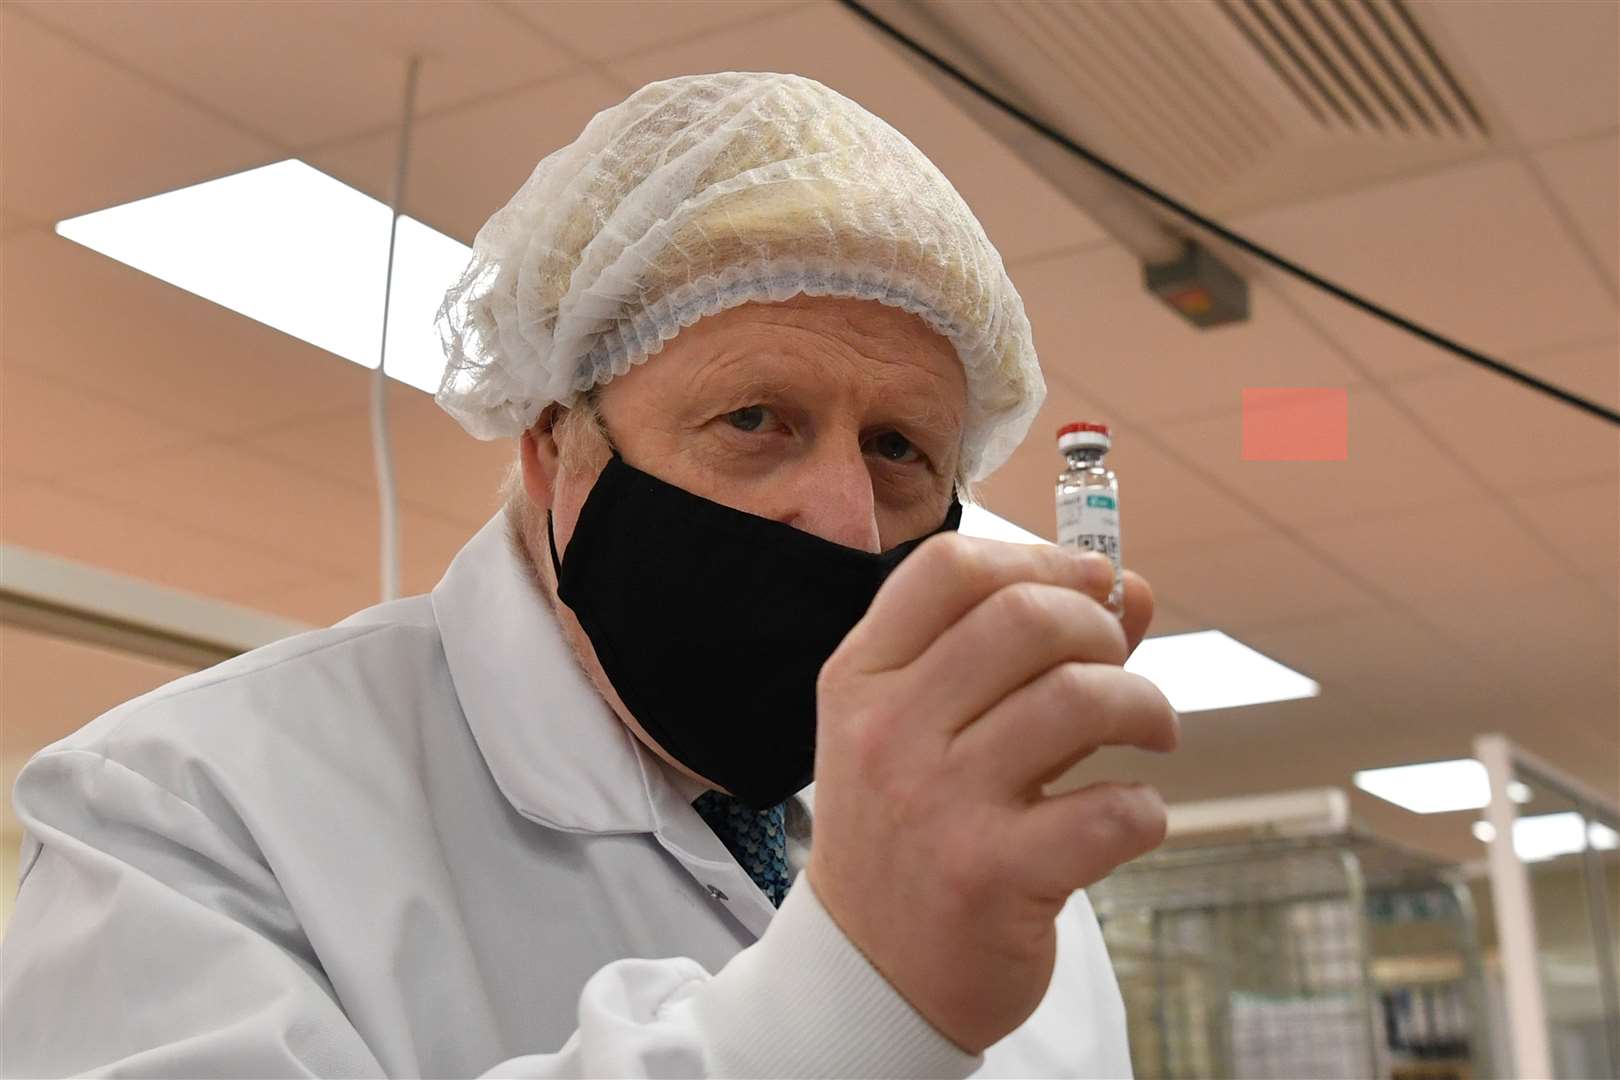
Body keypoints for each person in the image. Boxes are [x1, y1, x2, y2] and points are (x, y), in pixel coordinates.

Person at [0, 72, 1178, 1077]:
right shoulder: (190, 813)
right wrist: (854, 999)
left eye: (899, 449)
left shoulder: (1016, 890)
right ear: (552, 444)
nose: (842, 518)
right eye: (756, 416)